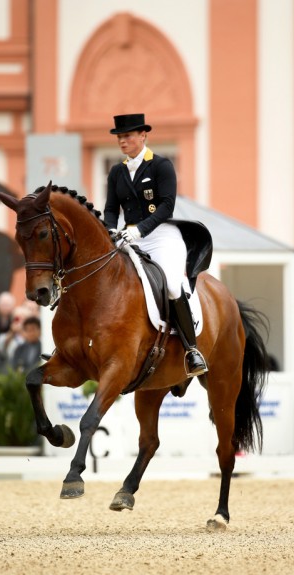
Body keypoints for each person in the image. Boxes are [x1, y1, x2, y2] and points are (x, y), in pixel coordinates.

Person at [103, 113, 207, 377]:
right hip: (129, 236)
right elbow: (111, 208)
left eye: (127, 136)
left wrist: (139, 230)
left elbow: (166, 206)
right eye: (119, 137)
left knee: (172, 284)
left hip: (162, 235)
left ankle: (191, 349)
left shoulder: (161, 165)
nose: (122, 141)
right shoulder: (117, 172)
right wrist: (111, 230)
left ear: (142, 136)